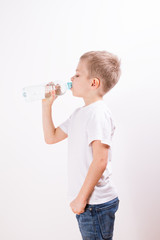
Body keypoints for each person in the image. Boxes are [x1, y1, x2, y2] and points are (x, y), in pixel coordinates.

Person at [42, 50, 121, 240]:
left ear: (93, 83)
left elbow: (100, 161)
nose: (71, 77)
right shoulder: (80, 114)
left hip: (95, 204)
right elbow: (51, 137)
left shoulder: (98, 114)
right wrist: (47, 106)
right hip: (88, 203)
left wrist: (82, 198)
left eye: (77, 74)